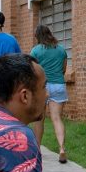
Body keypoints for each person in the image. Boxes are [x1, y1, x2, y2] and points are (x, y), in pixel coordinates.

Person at [30, 23, 69, 163]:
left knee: (39, 119)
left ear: (37, 37)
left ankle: (37, 150)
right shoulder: (61, 50)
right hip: (59, 85)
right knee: (57, 118)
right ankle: (62, 149)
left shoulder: (35, 51)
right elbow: (64, 69)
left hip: (43, 87)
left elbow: (32, 71)